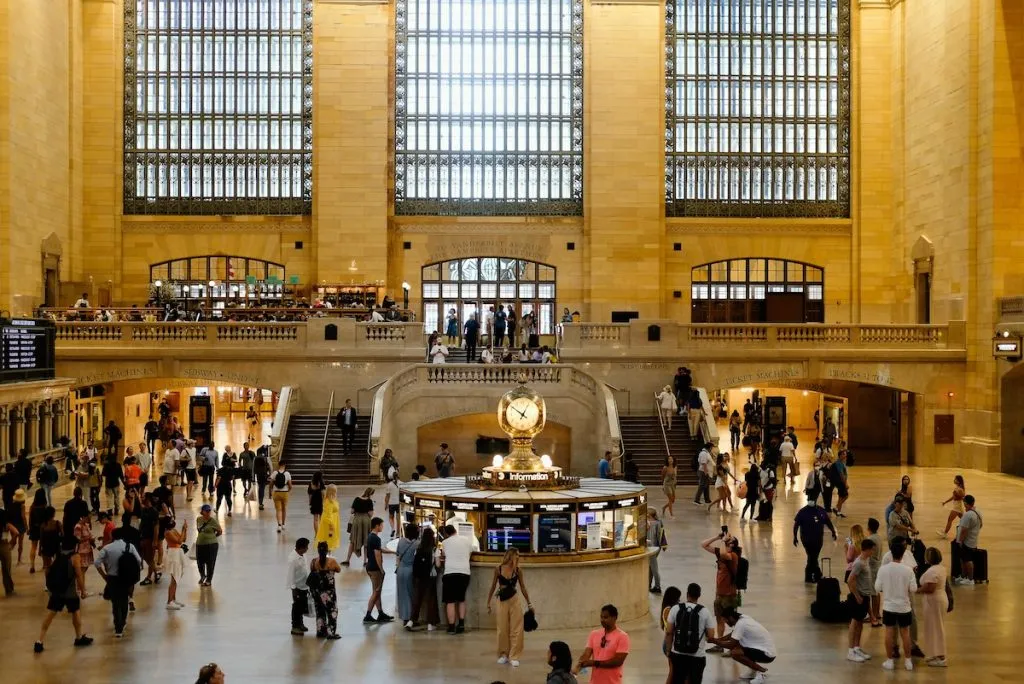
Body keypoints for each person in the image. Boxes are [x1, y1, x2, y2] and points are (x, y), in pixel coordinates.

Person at [35, 536, 93, 653]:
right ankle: (78, 637)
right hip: (70, 591)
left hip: (57, 591)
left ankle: (39, 641)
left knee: (50, 614)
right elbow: (78, 574)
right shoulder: (75, 557)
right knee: (76, 613)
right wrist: (83, 591)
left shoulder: (58, 555)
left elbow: (48, 570)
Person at [875, 539, 918, 671]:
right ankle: (908, 661)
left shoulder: (883, 569)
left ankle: (889, 660)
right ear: (903, 553)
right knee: (905, 633)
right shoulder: (908, 570)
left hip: (889, 606)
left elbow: (877, 588)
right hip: (904, 606)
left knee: (889, 632)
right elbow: (913, 589)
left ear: (891, 553)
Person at [486, 548, 534, 667]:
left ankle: (514, 656)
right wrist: (488, 602)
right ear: (511, 555)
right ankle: (503, 654)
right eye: (517, 555)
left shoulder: (518, 571)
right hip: (502, 600)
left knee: (516, 628)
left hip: (514, 600)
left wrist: (529, 603)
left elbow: (523, 587)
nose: (518, 557)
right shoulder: (498, 569)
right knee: (502, 628)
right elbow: (493, 586)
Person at [93, 526, 141, 638]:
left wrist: (104, 575)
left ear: (112, 536)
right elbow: (138, 560)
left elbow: (97, 563)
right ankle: (123, 622)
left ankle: (117, 627)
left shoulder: (107, 548)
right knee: (124, 600)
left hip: (112, 578)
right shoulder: (130, 546)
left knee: (115, 602)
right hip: (125, 578)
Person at [664, 582, 715, 684]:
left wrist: (669, 651)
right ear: (699, 595)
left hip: (678, 654)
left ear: (687, 594)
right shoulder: (705, 612)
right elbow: (711, 636)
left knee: (677, 680)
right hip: (697, 656)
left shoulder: (675, 609)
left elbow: (669, 632)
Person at [709, 609, 776, 684]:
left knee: (735, 653)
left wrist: (715, 641)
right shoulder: (743, 618)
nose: (725, 622)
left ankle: (761, 672)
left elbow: (731, 645)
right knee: (738, 645)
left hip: (767, 654)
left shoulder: (741, 624)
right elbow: (733, 634)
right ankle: (753, 672)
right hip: (763, 649)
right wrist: (718, 639)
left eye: (725, 620)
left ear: (730, 618)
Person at [701, 532, 740, 651]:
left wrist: (723, 541)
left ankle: (735, 645)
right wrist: (717, 537)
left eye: (729, 540)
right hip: (720, 593)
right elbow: (704, 544)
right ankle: (720, 644)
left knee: (733, 621)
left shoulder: (733, 555)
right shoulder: (721, 552)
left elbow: (723, 553)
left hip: (730, 594)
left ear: (732, 545)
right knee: (719, 619)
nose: (726, 540)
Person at [573, 604, 630, 681]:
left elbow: (618, 661)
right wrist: (580, 664)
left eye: (606, 617)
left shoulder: (623, 636)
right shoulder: (594, 634)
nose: (602, 620)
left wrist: (594, 663)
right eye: (601, 617)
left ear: (614, 618)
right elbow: (587, 653)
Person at [439, 523, 476, 633]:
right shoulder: (466, 540)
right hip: (464, 573)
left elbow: (444, 555)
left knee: (450, 601)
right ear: (455, 530)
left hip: (450, 573)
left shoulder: (445, 542)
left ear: (446, 534)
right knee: (461, 599)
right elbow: (470, 554)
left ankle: (451, 627)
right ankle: (461, 625)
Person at [916, 547, 949, 667]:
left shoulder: (932, 571)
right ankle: (936, 654)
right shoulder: (940, 568)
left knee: (937, 628)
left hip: (934, 601)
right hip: (939, 599)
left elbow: (930, 588)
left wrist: (917, 590)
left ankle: (941, 656)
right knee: (935, 627)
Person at [845, 538, 877, 662]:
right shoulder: (859, 563)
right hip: (859, 596)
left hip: (865, 596)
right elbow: (850, 580)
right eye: (872, 550)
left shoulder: (866, 560)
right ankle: (850, 650)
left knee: (860, 623)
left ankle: (857, 647)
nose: (873, 552)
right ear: (867, 549)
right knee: (854, 623)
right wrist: (857, 595)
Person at [793, 497, 838, 583]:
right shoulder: (802, 512)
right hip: (807, 540)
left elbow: (828, 522)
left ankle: (810, 576)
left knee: (813, 557)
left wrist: (833, 531)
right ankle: (816, 575)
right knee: (812, 556)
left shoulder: (821, 511)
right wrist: (795, 536)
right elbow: (796, 525)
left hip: (818, 539)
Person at [309, 540, 343, 639]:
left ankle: (320, 631)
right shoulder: (332, 562)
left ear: (318, 551)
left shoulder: (314, 561)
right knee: (332, 611)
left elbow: (312, 572)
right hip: (329, 592)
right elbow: (339, 569)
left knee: (320, 611)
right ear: (327, 550)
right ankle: (331, 632)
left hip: (317, 592)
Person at [363, 516, 394, 623]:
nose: (382, 527)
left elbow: (379, 549)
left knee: (377, 591)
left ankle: (380, 613)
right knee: (376, 592)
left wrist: (392, 552)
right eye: (381, 525)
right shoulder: (376, 538)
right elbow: (377, 555)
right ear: (377, 526)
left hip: (369, 567)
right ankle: (368, 615)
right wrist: (381, 569)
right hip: (375, 569)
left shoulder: (370, 537)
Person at [411, 526, 441, 631]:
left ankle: (412, 621)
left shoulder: (418, 548)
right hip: (430, 577)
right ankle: (430, 623)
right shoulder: (434, 549)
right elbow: (437, 564)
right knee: (431, 600)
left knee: (417, 599)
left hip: (419, 576)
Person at [395, 523, 420, 629]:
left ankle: (404, 617)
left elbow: (397, 555)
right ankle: (410, 618)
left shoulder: (400, 541)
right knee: (411, 595)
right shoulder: (417, 544)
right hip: (411, 571)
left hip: (400, 570)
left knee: (402, 595)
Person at [955, 494, 982, 585]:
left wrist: (960, 541)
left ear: (966, 503)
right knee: (963, 559)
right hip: (973, 539)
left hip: (967, 541)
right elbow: (980, 525)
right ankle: (964, 576)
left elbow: (964, 530)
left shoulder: (968, 515)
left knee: (967, 560)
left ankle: (970, 579)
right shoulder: (978, 512)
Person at [344, 487, 374, 565]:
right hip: (366, 521)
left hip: (357, 520)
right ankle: (365, 561)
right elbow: (370, 514)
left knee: (353, 540)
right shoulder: (369, 501)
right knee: (366, 542)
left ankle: (347, 560)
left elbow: (352, 511)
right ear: (371, 494)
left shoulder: (357, 499)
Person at [195, 504, 223, 587]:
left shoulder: (213, 521)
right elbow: (199, 530)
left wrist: (213, 537)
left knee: (210, 563)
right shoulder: (198, 519)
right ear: (202, 512)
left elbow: (220, 531)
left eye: (209, 511)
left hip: (211, 544)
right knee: (200, 562)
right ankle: (202, 575)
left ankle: (209, 580)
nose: (208, 512)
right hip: (200, 543)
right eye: (206, 511)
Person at [288, 537, 311, 635]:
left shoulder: (302, 555)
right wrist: (294, 589)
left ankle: (300, 624)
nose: (307, 549)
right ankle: (295, 626)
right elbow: (290, 575)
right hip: (297, 587)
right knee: (296, 607)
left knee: (302, 606)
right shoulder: (293, 559)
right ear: (301, 548)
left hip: (304, 585)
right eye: (306, 547)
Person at [163, 516, 187, 609]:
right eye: (171, 520)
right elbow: (179, 541)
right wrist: (183, 529)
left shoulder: (173, 530)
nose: (173, 521)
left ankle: (173, 599)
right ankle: (169, 601)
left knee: (177, 577)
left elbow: (183, 539)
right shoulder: (168, 532)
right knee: (174, 579)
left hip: (178, 553)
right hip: (173, 554)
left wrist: (185, 529)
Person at [315, 484, 341, 552]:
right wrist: (331, 525)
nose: (336, 492)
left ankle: (328, 554)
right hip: (329, 524)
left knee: (330, 539)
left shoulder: (332, 500)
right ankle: (327, 555)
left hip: (333, 521)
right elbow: (328, 515)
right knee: (329, 539)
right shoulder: (329, 502)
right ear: (332, 492)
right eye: (335, 491)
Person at [647, 509, 666, 594]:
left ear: (649, 515)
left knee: (654, 568)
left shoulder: (649, 524)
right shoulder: (659, 522)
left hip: (651, 548)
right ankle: (649, 584)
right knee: (651, 567)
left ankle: (657, 586)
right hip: (657, 547)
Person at [271, 461, 292, 532]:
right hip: (285, 492)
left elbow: (271, 483)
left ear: (278, 465)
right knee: (284, 509)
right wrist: (288, 490)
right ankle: (283, 524)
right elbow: (290, 485)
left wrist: (270, 492)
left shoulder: (275, 473)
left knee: (278, 509)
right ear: (284, 465)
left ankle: (279, 525)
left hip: (276, 492)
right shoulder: (287, 473)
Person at [0, 508, 17, 596]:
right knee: (6, 569)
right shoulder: (6, 525)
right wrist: (11, 543)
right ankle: (8, 588)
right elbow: (16, 532)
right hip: (4, 545)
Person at [830, 451, 850, 518]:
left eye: (845, 454)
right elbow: (841, 475)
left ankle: (838, 511)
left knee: (841, 497)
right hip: (840, 483)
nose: (845, 455)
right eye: (843, 454)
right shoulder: (839, 463)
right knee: (845, 496)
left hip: (840, 482)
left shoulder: (841, 462)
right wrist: (845, 484)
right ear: (840, 455)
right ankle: (837, 509)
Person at [253, 444, 271, 510]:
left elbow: (253, 469)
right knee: (262, 488)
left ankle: (260, 502)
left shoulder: (255, 458)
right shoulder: (266, 458)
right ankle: (261, 502)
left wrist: (253, 478)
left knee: (260, 487)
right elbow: (270, 468)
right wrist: (270, 476)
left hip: (258, 476)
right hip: (264, 475)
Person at [385, 470, 401, 537]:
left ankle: (392, 529)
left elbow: (387, 496)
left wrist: (386, 504)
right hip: (398, 503)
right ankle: (397, 533)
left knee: (391, 517)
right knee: (398, 519)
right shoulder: (401, 483)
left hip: (391, 503)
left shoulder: (389, 485)